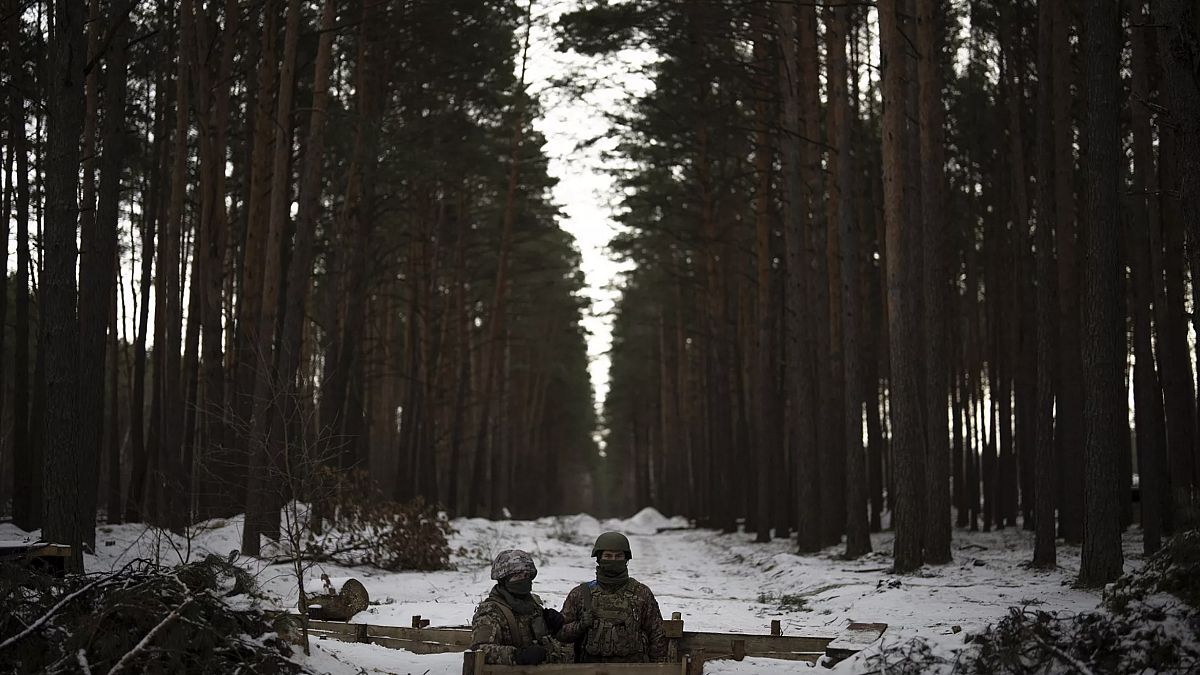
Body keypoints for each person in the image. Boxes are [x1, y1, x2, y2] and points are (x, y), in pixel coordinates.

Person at [558, 531, 668, 662]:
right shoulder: (581, 594)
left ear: (626, 559)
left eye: (618, 556)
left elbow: (657, 635)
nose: (613, 560)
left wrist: (658, 668)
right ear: (599, 558)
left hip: (632, 670)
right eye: (608, 556)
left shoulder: (641, 593)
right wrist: (580, 626)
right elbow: (560, 633)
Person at [470, 549, 572, 665]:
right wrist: (517, 655)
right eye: (518, 575)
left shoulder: (532, 606)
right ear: (503, 580)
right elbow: (480, 651)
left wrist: (552, 626)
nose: (524, 579)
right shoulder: (491, 612)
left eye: (526, 575)